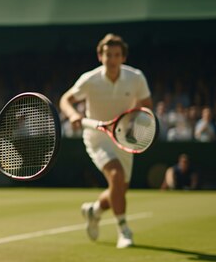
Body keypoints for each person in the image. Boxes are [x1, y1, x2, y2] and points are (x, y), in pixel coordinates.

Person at [59, 33, 152, 249]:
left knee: (119, 189)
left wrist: (133, 120)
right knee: (116, 177)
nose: (112, 59)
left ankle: (95, 210)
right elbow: (65, 99)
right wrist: (73, 115)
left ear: (123, 57)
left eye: (116, 55)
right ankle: (123, 229)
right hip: (97, 136)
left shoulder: (136, 77)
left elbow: (146, 105)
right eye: (108, 55)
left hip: (125, 138)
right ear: (100, 56)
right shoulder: (90, 79)